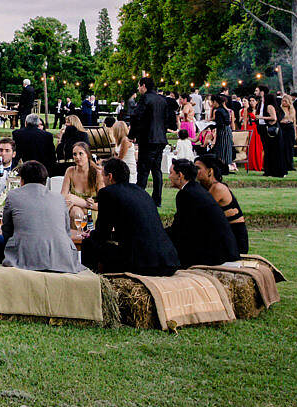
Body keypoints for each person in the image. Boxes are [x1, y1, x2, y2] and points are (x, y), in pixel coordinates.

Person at [80, 158, 179, 276]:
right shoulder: (141, 192)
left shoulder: (108, 193)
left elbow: (102, 233)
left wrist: (91, 234)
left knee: (88, 244)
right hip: (168, 260)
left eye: (103, 176)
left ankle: (92, 283)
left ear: (110, 176)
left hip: (142, 264)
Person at [0, 159, 82, 273]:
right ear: (45, 181)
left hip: (25, 258)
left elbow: (7, 230)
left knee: (0, 241)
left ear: (22, 180)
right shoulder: (59, 198)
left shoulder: (13, 195)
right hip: (63, 258)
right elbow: (66, 231)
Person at [167, 159, 240, 267]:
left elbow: (180, 227)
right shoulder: (196, 189)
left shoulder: (186, 194)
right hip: (225, 249)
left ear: (180, 175)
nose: (169, 177)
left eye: (171, 173)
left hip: (215, 254)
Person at [129, 77, 173, 206]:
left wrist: (132, 134)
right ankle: (157, 199)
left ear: (143, 86)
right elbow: (167, 120)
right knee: (156, 170)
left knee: (143, 169)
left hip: (148, 139)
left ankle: (139, 198)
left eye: (139, 86)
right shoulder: (162, 100)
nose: (138, 89)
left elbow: (137, 117)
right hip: (160, 139)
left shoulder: (145, 99)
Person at [195, 154, 249, 255]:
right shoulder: (205, 187)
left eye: (198, 168)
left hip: (234, 241)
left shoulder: (218, 188)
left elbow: (201, 212)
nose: (194, 171)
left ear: (210, 171)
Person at [61, 140, 101, 226]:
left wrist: (86, 204)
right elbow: (63, 197)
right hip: (76, 211)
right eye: (74, 154)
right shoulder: (70, 171)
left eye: (80, 153)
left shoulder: (97, 174)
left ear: (88, 155)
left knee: (75, 204)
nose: (77, 157)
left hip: (92, 212)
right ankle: (79, 237)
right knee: (76, 212)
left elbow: (104, 204)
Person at [258, 100, 288, 176]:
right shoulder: (272, 106)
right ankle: (272, 170)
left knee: (272, 151)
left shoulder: (269, 106)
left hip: (272, 130)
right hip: (273, 130)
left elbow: (274, 118)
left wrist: (260, 117)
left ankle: (275, 170)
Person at [210, 93, 236, 168]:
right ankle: (227, 166)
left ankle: (222, 166)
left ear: (215, 102)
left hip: (222, 131)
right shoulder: (225, 110)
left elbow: (220, 124)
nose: (212, 104)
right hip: (227, 130)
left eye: (212, 102)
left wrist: (211, 126)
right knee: (227, 150)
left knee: (221, 149)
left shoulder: (218, 111)